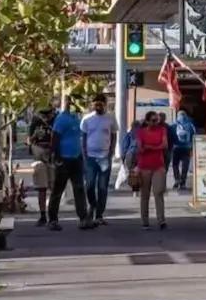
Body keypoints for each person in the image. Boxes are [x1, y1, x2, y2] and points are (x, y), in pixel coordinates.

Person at [49, 96, 93, 231]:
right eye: (70, 102)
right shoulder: (61, 119)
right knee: (58, 189)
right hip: (64, 158)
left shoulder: (76, 118)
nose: (73, 104)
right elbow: (54, 138)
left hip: (76, 158)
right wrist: (57, 157)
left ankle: (83, 218)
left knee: (79, 188)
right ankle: (53, 220)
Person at [80, 94, 117, 225]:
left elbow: (114, 135)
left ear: (105, 104)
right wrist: (84, 153)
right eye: (95, 104)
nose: (97, 106)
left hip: (104, 157)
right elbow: (83, 137)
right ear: (92, 105)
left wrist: (111, 151)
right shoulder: (87, 119)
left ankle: (99, 214)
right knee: (89, 185)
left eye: (100, 104)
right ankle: (93, 205)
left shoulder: (111, 118)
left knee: (102, 187)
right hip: (90, 157)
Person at [136, 111, 168, 230]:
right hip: (144, 166)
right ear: (147, 121)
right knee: (145, 195)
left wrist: (150, 147)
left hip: (158, 165)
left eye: (157, 120)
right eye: (153, 120)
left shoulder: (162, 130)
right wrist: (154, 147)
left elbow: (164, 145)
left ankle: (161, 220)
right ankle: (145, 221)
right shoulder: (141, 132)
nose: (156, 123)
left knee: (158, 192)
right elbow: (141, 148)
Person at [27, 104, 57, 226]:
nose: (45, 117)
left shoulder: (55, 120)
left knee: (53, 188)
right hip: (39, 157)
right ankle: (43, 215)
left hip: (52, 156)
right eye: (43, 114)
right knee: (41, 188)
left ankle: (53, 216)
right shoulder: (35, 121)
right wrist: (35, 135)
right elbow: (29, 140)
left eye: (47, 114)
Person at [171, 110, 196, 190]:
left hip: (176, 147)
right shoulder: (190, 125)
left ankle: (177, 180)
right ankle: (183, 183)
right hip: (187, 148)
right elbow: (194, 136)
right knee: (185, 166)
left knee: (175, 165)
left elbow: (170, 136)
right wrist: (192, 147)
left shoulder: (174, 125)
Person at [117, 120, 141, 195]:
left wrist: (123, 159)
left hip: (130, 154)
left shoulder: (129, 134)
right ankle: (138, 189)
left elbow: (124, 147)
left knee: (132, 172)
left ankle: (135, 191)